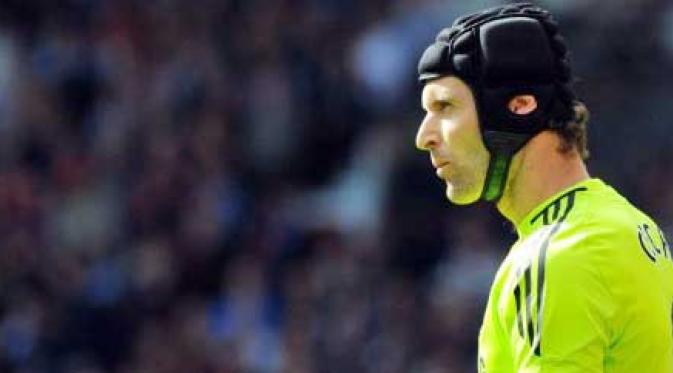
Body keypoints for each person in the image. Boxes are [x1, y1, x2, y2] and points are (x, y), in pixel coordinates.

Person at [414, 3, 673, 372]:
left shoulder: (561, 252)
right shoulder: (629, 223)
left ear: (520, 106)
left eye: (445, 106)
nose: (424, 137)